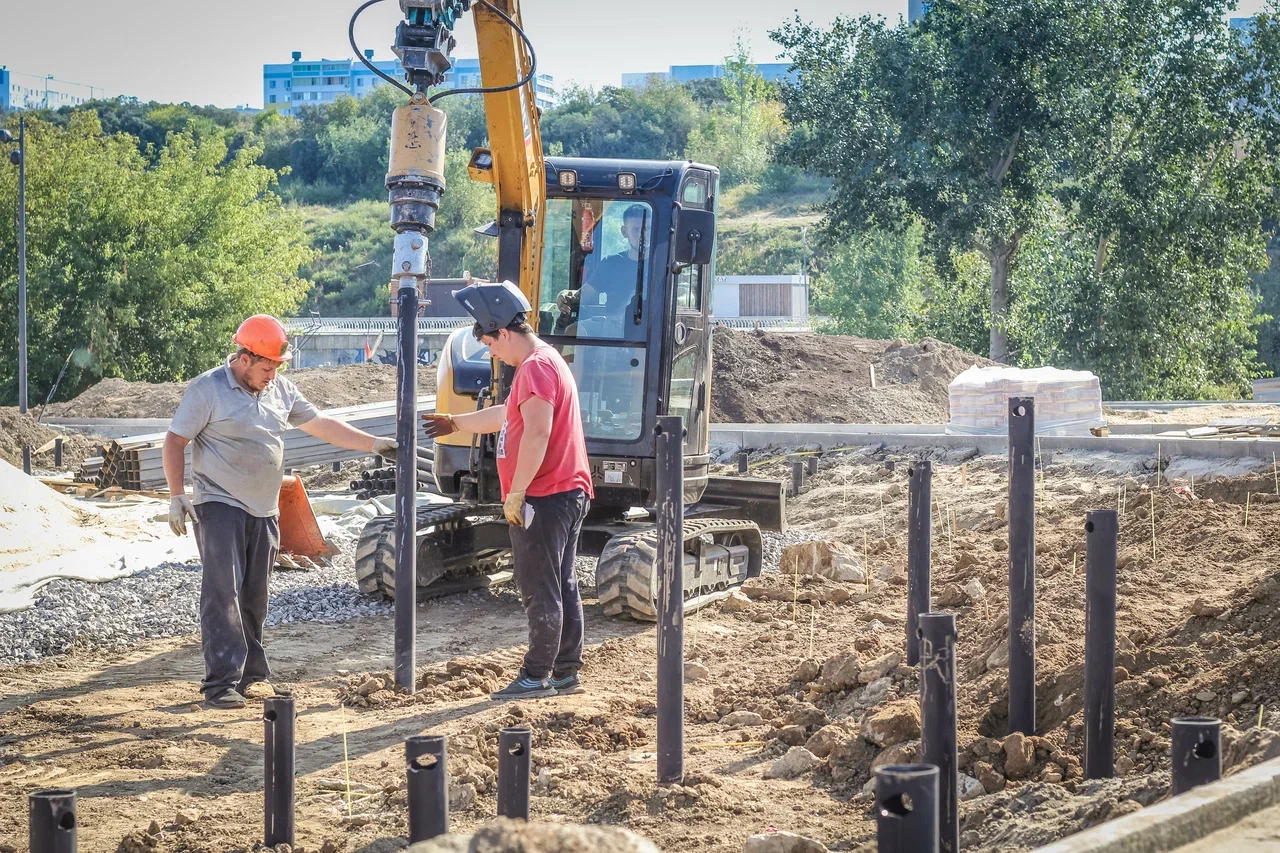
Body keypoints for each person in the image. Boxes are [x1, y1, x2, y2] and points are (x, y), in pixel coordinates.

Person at [164, 315, 399, 710]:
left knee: (255, 595)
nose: (272, 374)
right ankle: (219, 684)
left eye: (276, 366)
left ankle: (253, 678)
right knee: (223, 592)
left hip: (265, 509)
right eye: (266, 366)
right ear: (243, 357)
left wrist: (373, 444)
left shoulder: (280, 390)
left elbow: (321, 424)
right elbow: (174, 441)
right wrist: (176, 495)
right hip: (219, 504)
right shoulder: (208, 390)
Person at [425, 281, 594, 700]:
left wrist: (517, 492)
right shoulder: (544, 362)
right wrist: (458, 422)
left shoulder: (536, 367)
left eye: (489, 342)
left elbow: (537, 432)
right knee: (562, 582)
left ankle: (535, 676)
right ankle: (565, 671)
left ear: (503, 331)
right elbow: (510, 414)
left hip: (545, 493)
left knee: (539, 586)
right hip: (566, 491)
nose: (489, 351)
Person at [576, 203, 649, 339]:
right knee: (575, 330)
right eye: (636, 230)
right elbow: (584, 295)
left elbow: (683, 295)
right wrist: (566, 296)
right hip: (611, 328)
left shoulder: (662, 264)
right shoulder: (611, 263)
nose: (642, 235)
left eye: (647, 229)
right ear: (624, 232)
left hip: (650, 328)